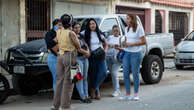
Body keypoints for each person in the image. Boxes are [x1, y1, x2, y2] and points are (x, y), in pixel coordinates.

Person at [52, 14, 90, 110]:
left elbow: (55, 41)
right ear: (70, 22)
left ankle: (56, 105)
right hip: (69, 56)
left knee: (59, 81)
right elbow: (79, 48)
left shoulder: (58, 31)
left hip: (60, 56)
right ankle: (65, 106)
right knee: (69, 82)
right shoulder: (71, 33)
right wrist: (87, 52)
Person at [120, 14, 146, 101]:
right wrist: (124, 42)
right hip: (127, 53)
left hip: (136, 54)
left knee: (135, 74)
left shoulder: (138, 27)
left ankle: (136, 94)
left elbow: (144, 42)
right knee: (125, 74)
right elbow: (126, 39)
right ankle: (127, 94)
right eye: (126, 19)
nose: (126, 20)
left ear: (132, 19)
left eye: (128, 18)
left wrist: (132, 44)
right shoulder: (126, 28)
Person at [83, 18, 108, 100]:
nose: (92, 25)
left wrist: (105, 52)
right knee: (93, 75)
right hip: (92, 56)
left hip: (101, 55)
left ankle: (93, 88)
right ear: (88, 26)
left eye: (93, 23)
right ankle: (96, 91)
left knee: (103, 72)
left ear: (96, 24)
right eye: (90, 24)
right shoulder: (85, 33)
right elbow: (76, 35)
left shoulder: (99, 33)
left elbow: (106, 44)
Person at [72, 22, 92, 103]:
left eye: (79, 27)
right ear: (72, 28)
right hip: (77, 59)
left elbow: (86, 45)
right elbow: (76, 48)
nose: (77, 29)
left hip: (85, 58)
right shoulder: (72, 36)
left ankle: (86, 95)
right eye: (75, 27)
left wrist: (88, 52)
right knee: (78, 78)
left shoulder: (81, 36)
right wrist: (86, 53)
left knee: (85, 78)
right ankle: (82, 96)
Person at [45, 19, 62, 91]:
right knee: (56, 77)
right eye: (59, 25)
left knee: (62, 78)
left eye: (61, 25)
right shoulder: (49, 34)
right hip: (53, 57)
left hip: (62, 57)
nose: (61, 26)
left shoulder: (62, 33)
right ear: (54, 25)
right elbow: (50, 44)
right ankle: (57, 96)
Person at [106, 25, 123, 97]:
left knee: (114, 72)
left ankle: (117, 90)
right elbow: (105, 44)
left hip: (117, 58)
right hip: (108, 57)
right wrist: (109, 45)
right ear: (112, 31)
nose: (116, 32)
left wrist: (117, 47)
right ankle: (116, 89)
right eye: (114, 30)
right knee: (112, 74)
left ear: (119, 31)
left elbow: (125, 49)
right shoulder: (110, 37)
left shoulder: (122, 38)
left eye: (117, 30)